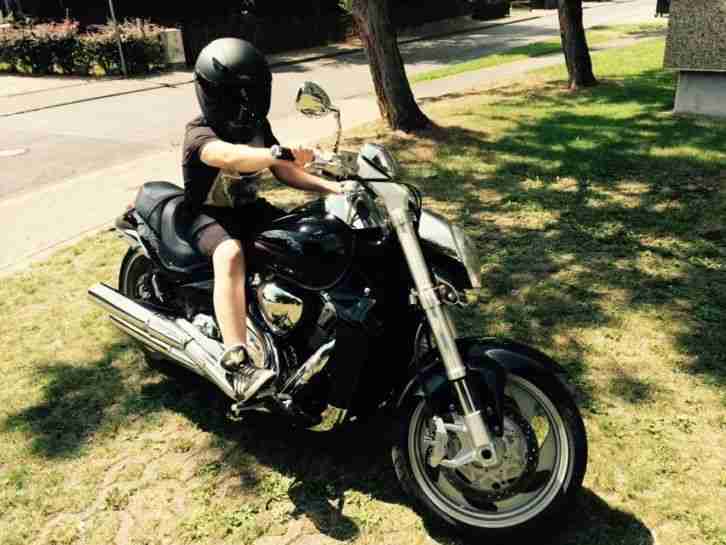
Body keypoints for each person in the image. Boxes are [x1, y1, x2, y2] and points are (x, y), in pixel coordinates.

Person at [182, 38, 341, 401]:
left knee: (308, 237)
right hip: (206, 214)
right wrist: (274, 153)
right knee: (230, 255)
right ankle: (237, 357)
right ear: (211, 92)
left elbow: (285, 171)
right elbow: (231, 157)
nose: (243, 101)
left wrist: (332, 187)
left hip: (249, 210)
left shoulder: (257, 125)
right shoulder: (199, 131)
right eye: (233, 93)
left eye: (250, 91)